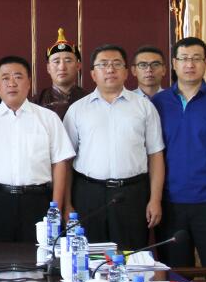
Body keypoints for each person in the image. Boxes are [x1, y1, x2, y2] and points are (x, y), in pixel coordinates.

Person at [63, 45, 165, 251]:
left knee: (130, 256)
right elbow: (65, 162)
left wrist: (155, 199)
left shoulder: (144, 106)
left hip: (132, 194)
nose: (110, 69)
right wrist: (67, 204)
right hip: (88, 194)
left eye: (116, 64)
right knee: (90, 256)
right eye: (103, 65)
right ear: (93, 73)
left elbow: (155, 155)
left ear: (126, 72)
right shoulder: (77, 110)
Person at [151, 37, 206, 267]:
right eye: (184, 59)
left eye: (196, 59)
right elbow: (153, 153)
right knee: (176, 274)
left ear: (205, 63)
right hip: (170, 202)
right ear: (174, 63)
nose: (190, 64)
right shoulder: (158, 102)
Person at [0, 56, 74, 242]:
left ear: (29, 82)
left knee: (38, 256)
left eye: (18, 77)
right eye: (5, 78)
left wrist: (56, 208)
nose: (12, 83)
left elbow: (60, 163)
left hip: (38, 201)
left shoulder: (48, 118)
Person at [35, 28, 89, 120]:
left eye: (68, 61)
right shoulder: (37, 102)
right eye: (56, 61)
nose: (62, 67)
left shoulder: (89, 99)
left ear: (78, 66)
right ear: (48, 68)